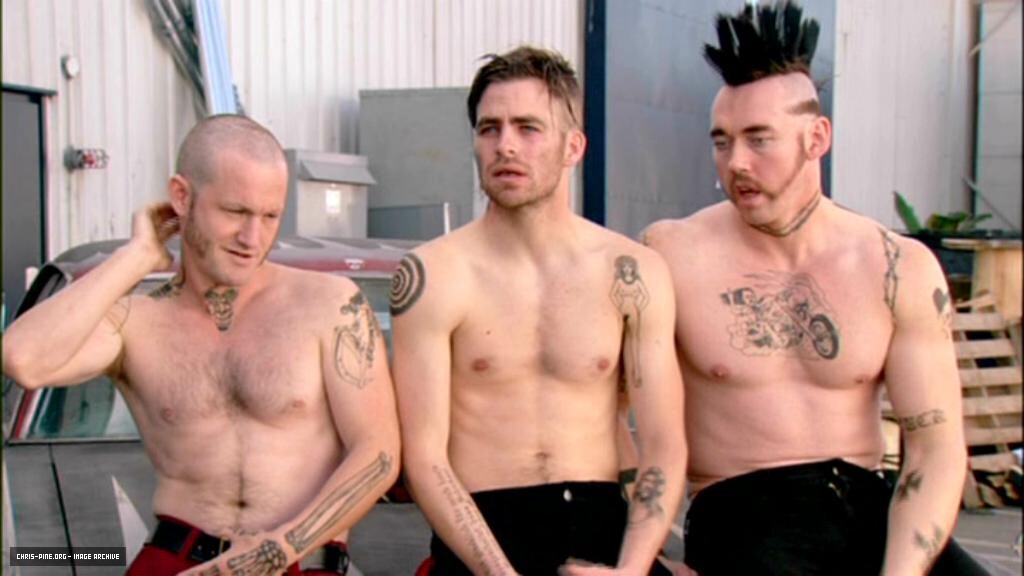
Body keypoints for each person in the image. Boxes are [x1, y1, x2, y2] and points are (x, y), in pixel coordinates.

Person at [644, 2, 988, 575]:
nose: (736, 162)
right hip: (743, 515)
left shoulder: (894, 266)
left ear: (816, 137)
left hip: (867, 509)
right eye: (722, 142)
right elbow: (596, 403)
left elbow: (935, 448)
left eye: (759, 139)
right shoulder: (671, 254)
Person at [2, 114, 400, 575]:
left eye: (270, 216)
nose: (253, 238)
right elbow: (23, 359)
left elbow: (378, 451)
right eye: (235, 212)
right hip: (177, 560)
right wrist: (138, 256)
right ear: (181, 197)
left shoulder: (329, 304)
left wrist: (270, 554)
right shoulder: (136, 321)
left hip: (301, 561)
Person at [391, 46, 685, 575]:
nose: (505, 145)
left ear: (574, 146)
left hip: (601, 533)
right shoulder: (435, 274)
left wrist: (633, 569)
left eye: (528, 128)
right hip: (481, 536)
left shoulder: (631, 272)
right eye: (489, 129)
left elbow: (664, 444)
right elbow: (425, 457)